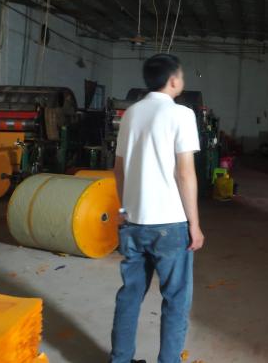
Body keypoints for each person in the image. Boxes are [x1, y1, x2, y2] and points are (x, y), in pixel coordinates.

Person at [110, 53, 205, 363]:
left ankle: (120, 359)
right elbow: (185, 173)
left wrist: (124, 212)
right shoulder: (181, 115)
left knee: (129, 296)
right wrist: (194, 224)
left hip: (134, 222)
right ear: (173, 80)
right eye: (182, 77)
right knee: (176, 300)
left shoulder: (131, 114)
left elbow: (119, 170)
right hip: (170, 225)